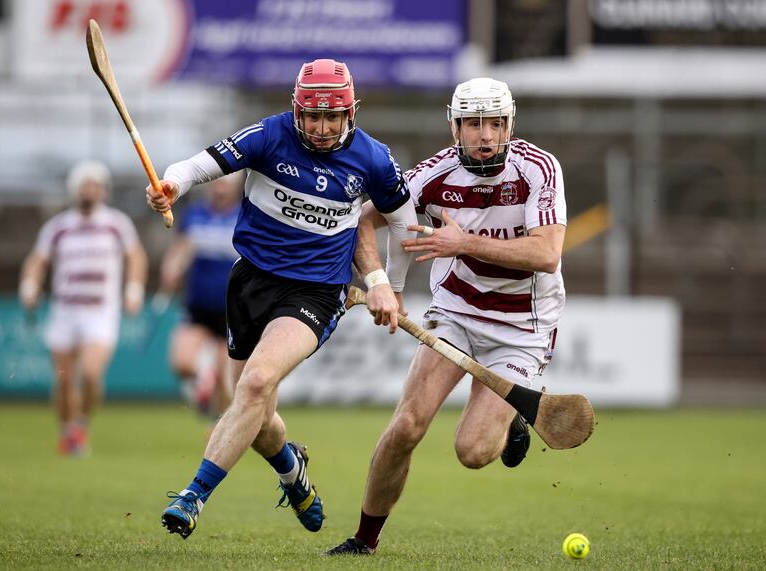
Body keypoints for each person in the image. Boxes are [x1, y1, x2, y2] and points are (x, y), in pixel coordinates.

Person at [146, 58, 417, 540]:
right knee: (255, 412)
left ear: (350, 113)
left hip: (315, 291)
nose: (320, 127)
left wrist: (388, 287)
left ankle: (193, 496)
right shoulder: (270, 136)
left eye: (331, 116)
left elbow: (404, 223)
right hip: (250, 282)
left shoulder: (373, 159)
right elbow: (197, 165)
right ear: (297, 110)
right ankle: (294, 473)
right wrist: (172, 185)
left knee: (254, 385)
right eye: (311, 115)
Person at [326, 77, 567, 555]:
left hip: (523, 327)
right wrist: (382, 286)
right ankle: (363, 541)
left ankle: (513, 417)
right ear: (454, 127)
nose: (484, 135)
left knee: (473, 451)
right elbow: (363, 220)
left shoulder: (538, 168)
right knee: (407, 426)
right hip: (456, 311)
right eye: (473, 124)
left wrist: (462, 243)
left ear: (508, 126)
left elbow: (547, 254)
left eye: (494, 124)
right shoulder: (432, 176)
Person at [19, 159, 148, 456]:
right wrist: (29, 287)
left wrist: (133, 289)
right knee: (64, 380)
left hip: (100, 311)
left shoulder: (117, 224)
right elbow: (37, 261)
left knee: (90, 373)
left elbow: (136, 257)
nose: (89, 191)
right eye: (84, 185)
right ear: (74, 190)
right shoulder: (59, 227)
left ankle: (80, 424)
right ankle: (66, 431)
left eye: (94, 185)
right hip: (64, 311)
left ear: (103, 190)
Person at [158, 174, 243, 418]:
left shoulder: (243, 216)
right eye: (216, 184)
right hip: (198, 304)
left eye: (225, 185)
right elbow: (181, 249)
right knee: (182, 363)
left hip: (231, 308)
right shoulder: (195, 215)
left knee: (227, 382)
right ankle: (205, 376)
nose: (220, 189)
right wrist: (172, 268)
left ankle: (218, 428)